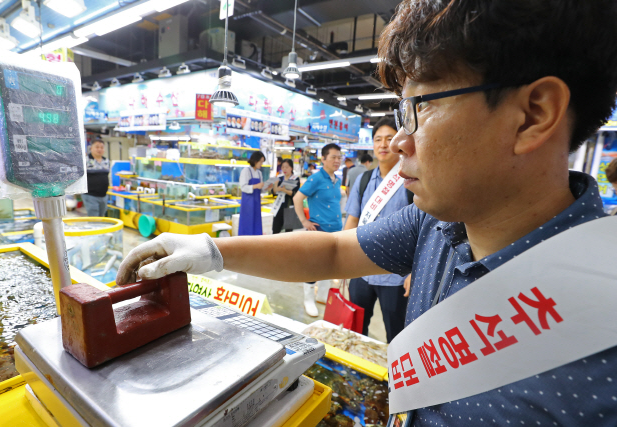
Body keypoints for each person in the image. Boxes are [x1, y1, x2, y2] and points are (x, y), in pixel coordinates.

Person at [117, 1, 617, 425]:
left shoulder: (601, 353)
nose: (399, 141)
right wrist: (209, 250)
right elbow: (334, 250)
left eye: (419, 108)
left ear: (533, 114)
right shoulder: (440, 224)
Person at [343, 116, 412, 343]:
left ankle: (395, 378)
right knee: (354, 334)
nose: (383, 144)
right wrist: (341, 263)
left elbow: (426, 230)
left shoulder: (411, 180)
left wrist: (416, 271)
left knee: (397, 337)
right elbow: (351, 222)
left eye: (389, 138)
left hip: (397, 277)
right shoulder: (363, 180)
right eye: (378, 139)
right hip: (361, 271)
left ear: (399, 141)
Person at [293, 143, 343, 316]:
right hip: (318, 229)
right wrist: (304, 221)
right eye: (333, 157)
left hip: (336, 230)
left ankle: (322, 295)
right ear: (323, 159)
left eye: (339, 157)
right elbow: (297, 198)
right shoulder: (316, 178)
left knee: (329, 266)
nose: (337, 160)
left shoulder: (337, 180)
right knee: (313, 266)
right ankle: (308, 299)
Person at [238, 151, 265, 236]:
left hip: (257, 202)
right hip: (248, 203)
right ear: (255, 160)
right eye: (260, 161)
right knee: (247, 222)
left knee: (256, 222)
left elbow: (260, 189)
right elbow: (243, 187)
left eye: (262, 162)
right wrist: (256, 186)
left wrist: (266, 187)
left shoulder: (259, 173)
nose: (261, 164)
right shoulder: (246, 171)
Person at [271, 159, 301, 234]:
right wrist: (275, 185)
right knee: (275, 229)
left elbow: (295, 193)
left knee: (288, 231)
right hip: (279, 207)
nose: (284, 169)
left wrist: (284, 190)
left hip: (289, 207)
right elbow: (273, 192)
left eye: (287, 167)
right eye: (283, 167)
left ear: (291, 168)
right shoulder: (279, 179)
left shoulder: (295, 179)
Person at [83, 138, 110, 217]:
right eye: (97, 147)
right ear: (91, 148)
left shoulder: (106, 161)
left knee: (102, 218)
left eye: (101, 147)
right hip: (90, 196)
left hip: (104, 196)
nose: (99, 149)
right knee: (94, 219)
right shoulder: (85, 160)